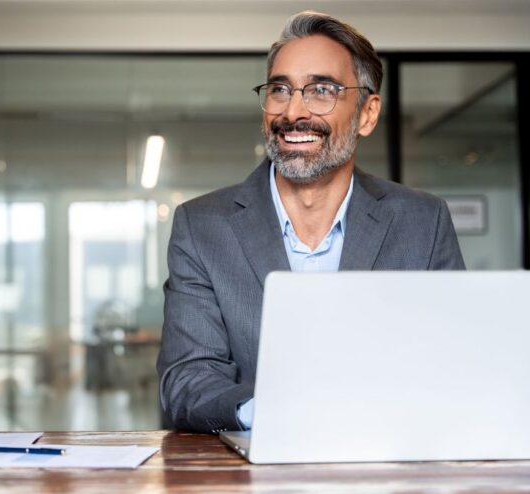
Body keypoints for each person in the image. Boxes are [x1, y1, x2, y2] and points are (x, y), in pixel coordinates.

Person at [156, 11, 465, 434]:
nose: (293, 111)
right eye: (280, 89)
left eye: (321, 90)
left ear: (367, 114)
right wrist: (274, 416)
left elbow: (453, 365)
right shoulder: (202, 226)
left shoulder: (422, 221)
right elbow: (186, 380)